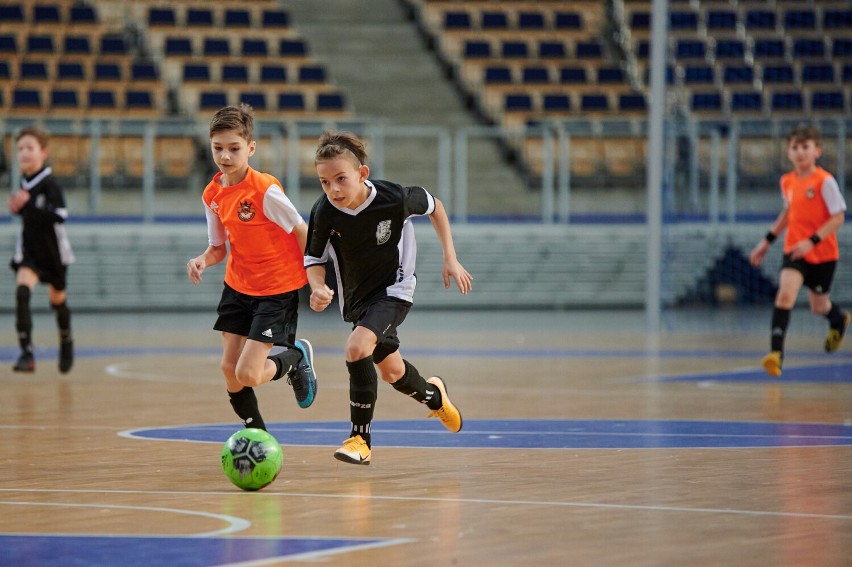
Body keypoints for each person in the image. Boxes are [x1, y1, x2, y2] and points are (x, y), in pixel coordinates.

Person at [304, 130, 473, 465]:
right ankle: (434, 396)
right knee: (392, 372)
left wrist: (450, 257)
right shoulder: (324, 211)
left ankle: (360, 439)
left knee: (356, 348)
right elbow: (314, 259)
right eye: (325, 182)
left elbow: (435, 207)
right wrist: (317, 286)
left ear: (362, 174)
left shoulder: (393, 198)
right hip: (357, 300)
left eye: (341, 179)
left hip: (395, 291)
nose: (333, 189)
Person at [186, 104, 317, 431]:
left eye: (234, 148)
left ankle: (295, 357)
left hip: (277, 290)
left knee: (248, 374)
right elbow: (219, 248)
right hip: (238, 287)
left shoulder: (265, 190)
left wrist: (316, 280)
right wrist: (203, 259)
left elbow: (302, 231)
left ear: (251, 148)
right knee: (229, 370)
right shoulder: (212, 193)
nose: (225, 156)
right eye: (218, 148)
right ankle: (257, 434)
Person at [749, 124, 849, 377]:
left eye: (806, 147)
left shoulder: (825, 182)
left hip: (823, 254)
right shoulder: (788, 181)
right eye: (795, 147)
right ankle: (776, 355)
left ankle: (838, 320)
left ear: (817, 151)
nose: (800, 152)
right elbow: (788, 213)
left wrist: (812, 241)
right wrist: (766, 241)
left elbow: (838, 218)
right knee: (785, 294)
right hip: (795, 250)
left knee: (819, 306)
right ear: (788, 152)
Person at [8, 126, 75, 373]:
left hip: (53, 251)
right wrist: (17, 209)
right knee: (22, 292)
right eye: (20, 149)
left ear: (43, 152)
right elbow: (28, 213)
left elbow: (60, 215)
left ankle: (66, 342)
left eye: (30, 148)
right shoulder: (24, 182)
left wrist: (29, 208)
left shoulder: (49, 184)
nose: (24, 153)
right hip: (30, 249)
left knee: (57, 301)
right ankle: (27, 353)